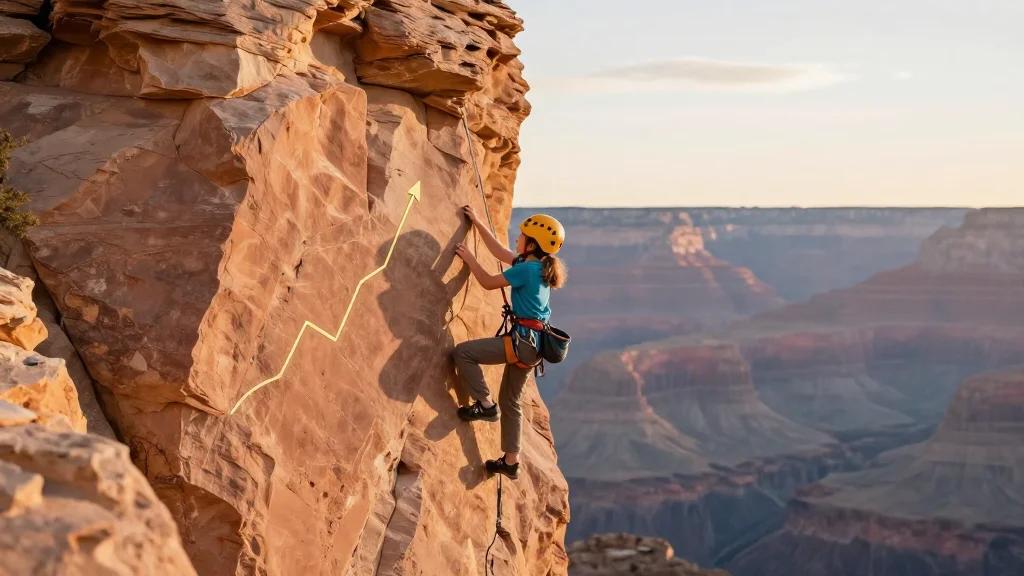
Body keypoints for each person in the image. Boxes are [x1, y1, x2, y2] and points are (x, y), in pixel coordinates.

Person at [452, 207, 568, 480]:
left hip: (521, 343)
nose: (517, 239)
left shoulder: (527, 270)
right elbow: (499, 252)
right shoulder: (539, 267)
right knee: (512, 400)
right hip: (534, 346)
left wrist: (468, 258)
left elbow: (488, 282)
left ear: (531, 244)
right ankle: (510, 461)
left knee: (463, 353)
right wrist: (478, 221)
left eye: (521, 236)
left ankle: (485, 404)